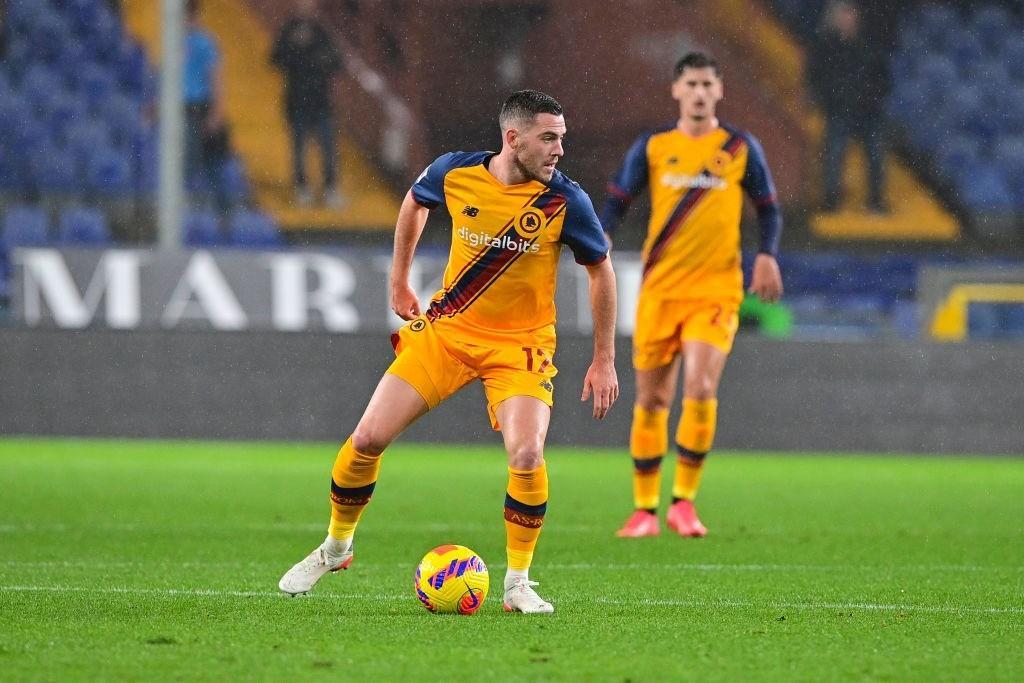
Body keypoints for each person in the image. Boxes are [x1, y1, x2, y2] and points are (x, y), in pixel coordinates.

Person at [279, 90, 619, 613]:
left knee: (527, 455)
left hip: (520, 348)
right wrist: (398, 281)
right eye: (548, 138)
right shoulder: (454, 172)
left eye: (562, 139)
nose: (559, 150)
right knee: (367, 438)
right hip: (447, 335)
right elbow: (415, 203)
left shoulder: (566, 201)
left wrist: (603, 359)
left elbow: (601, 273)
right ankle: (335, 548)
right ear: (513, 138)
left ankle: (517, 585)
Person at [599, 52, 783, 539]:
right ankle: (643, 510)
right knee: (652, 399)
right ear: (676, 90)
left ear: (719, 91)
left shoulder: (741, 148)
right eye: (691, 84)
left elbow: (769, 210)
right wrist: (602, 239)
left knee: (700, 388)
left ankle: (683, 502)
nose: (700, 92)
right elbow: (617, 200)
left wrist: (767, 255)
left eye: (707, 83)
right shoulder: (655, 146)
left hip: (717, 289)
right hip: (660, 288)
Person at [807, 0, 890, 213]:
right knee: (834, 156)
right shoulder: (825, 47)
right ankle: (831, 202)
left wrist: (872, 99)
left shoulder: (868, 46)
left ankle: (876, 201)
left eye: (850, 14)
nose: (847, 19)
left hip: (868, 112)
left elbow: (882, 77)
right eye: (843, 15)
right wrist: (829, 101)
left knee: (875, 157)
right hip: (839, 110)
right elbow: (816, 77)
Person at [270, 0, 344, 210]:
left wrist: (317, 58)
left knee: (328, 147)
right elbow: (275, 58)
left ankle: (330, 188)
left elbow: (337, 61)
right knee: (299, 147)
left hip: (321, 101)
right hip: (297, 100)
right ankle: (301, 187)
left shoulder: (323, 32)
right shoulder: (289, 30)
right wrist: (294, 47)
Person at [183, 0, 227, 209]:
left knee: (197, 163)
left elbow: (216, 78)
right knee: (185, 163)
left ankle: (205, 208)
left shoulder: (204, 42)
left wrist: (216, 113)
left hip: (198, 109)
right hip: (180, 110)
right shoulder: (174, 43)